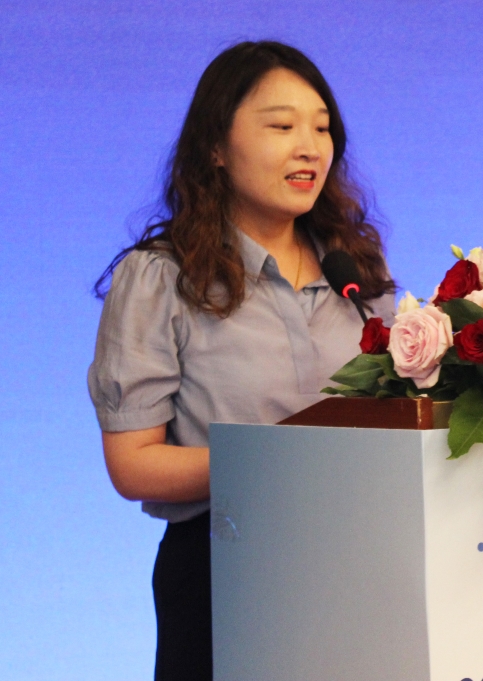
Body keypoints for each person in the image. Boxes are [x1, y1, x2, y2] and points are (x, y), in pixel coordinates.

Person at [88, 41, 394, 681]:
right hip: (223, 570)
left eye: (321, 128)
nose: (309, 147)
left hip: (362, 559)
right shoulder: (163, 278)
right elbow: (134, 464)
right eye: (281, 127)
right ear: (216, 148)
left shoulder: (355, 271)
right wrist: (281, 463)